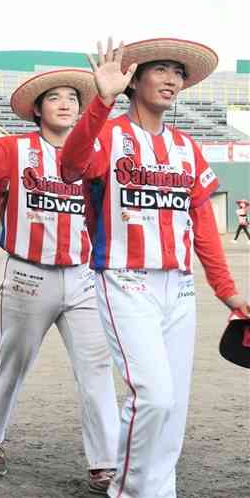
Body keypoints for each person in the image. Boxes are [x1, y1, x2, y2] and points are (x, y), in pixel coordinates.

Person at [59, 37, 250, 498]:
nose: (171, 79)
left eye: (179, 73)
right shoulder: (107, 135)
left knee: (174, 406)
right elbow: (70, 167)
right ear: (135, 79)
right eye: (161, 69)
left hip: (179, 288)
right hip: (124, 280)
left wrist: (228, 291)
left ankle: (159, 491)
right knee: (154, 397)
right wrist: (100, 102)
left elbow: (203, 224)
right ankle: (127, 491)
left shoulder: (187, 148)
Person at [0, 62, 119, 492]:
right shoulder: (14, 149)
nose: (65, 104)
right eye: (55, 97)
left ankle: (105, 461)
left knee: (96, 367)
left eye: (73, 98)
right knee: (14, 361)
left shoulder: (95, 153)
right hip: (28, 274)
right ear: (37, 110)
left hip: (81, 276)